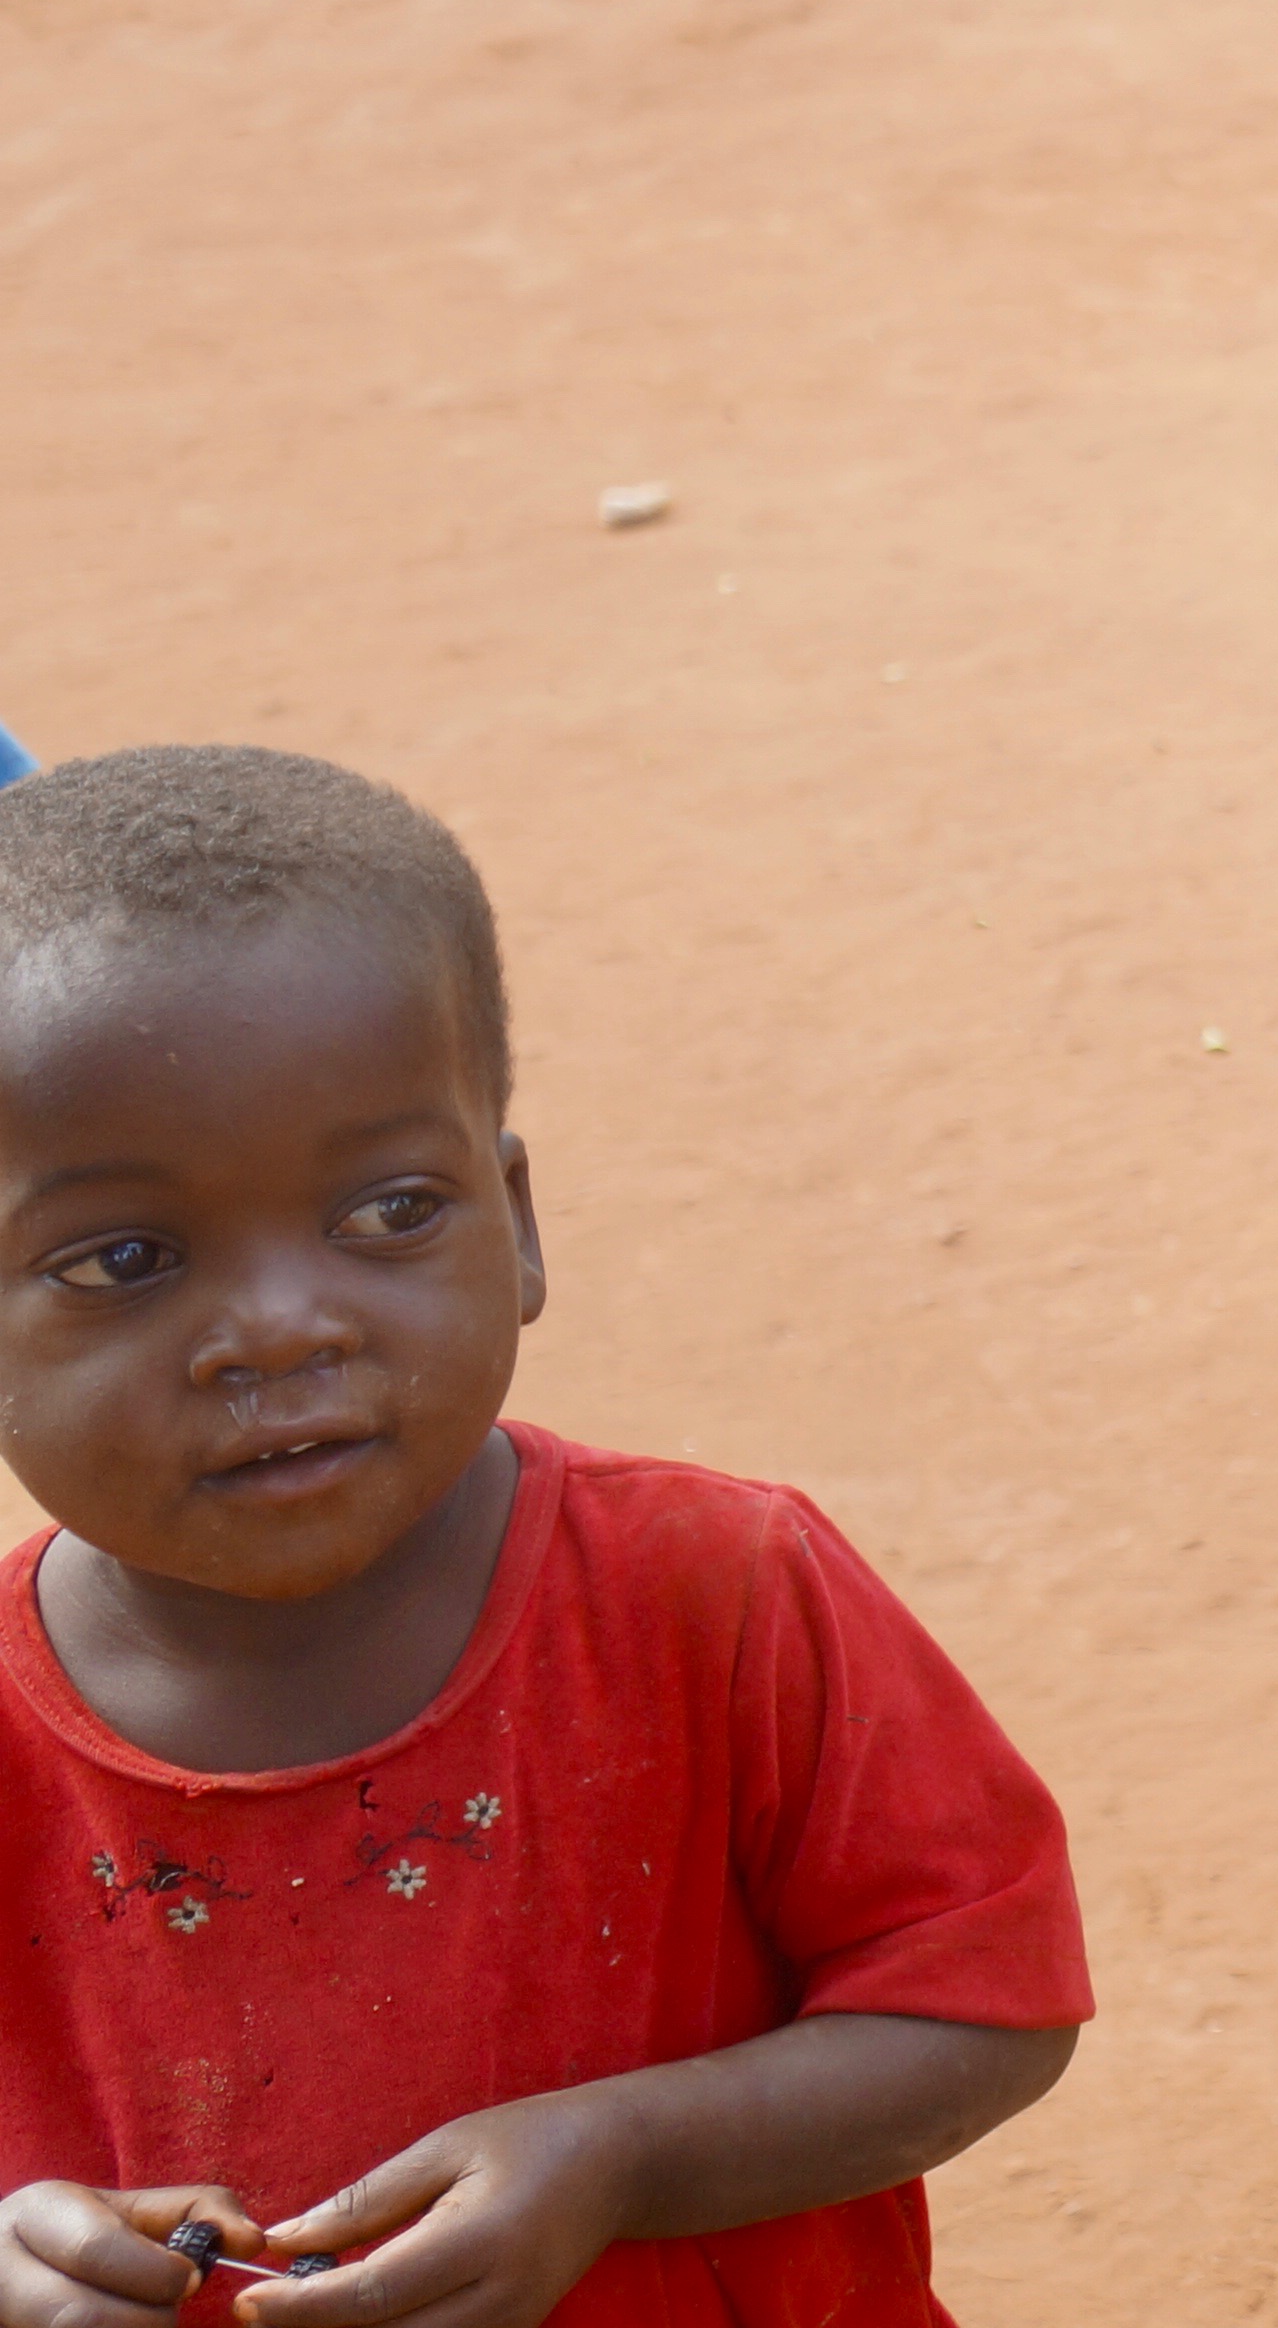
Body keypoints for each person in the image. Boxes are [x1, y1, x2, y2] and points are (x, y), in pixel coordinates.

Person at [0, 746, 1087, 2328]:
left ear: (513, 1221)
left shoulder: (718, 1594)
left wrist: (626, 2157)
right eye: (126, 1258)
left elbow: (987, 2004)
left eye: (389, 1212)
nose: (282, 1327)